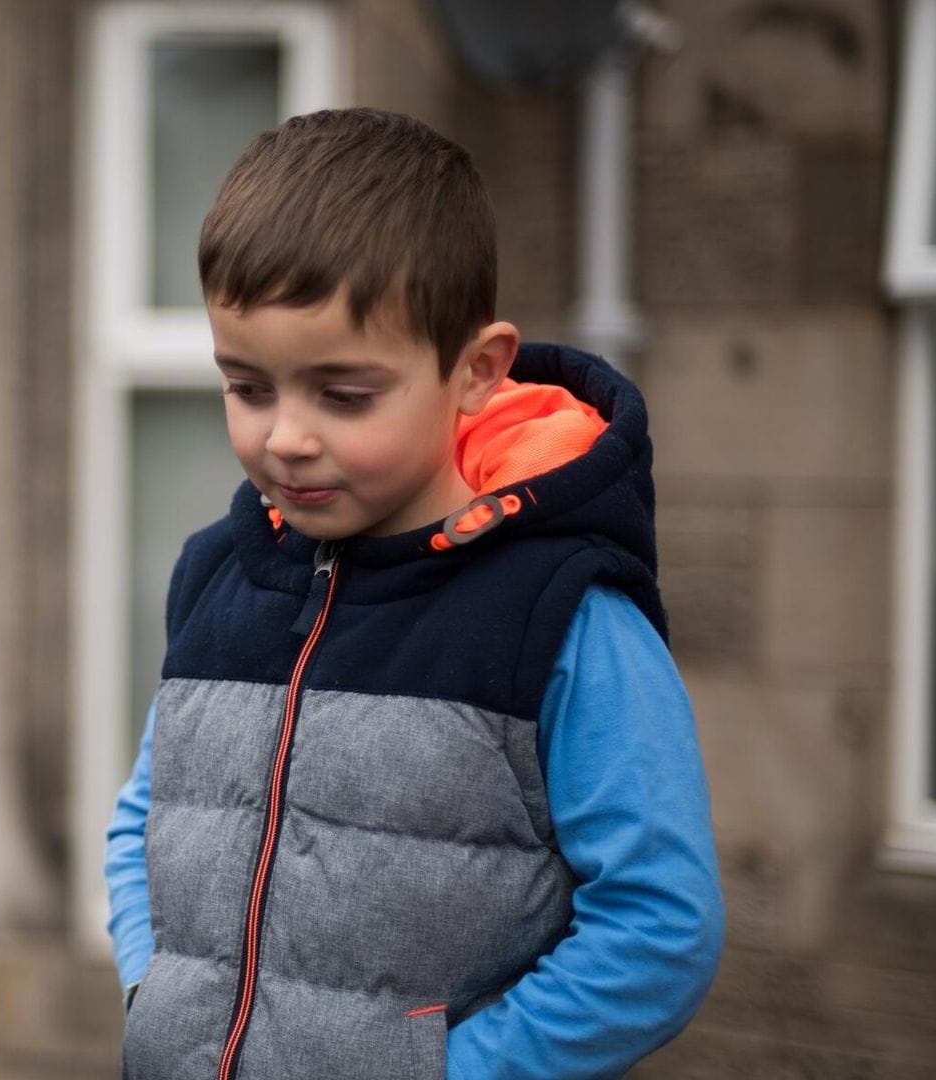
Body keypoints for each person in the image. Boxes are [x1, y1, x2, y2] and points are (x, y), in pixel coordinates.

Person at [104, 108, 724, 1080]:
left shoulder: (564, 615)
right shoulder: (215, 577)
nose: (286, 438)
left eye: (343, 395)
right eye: (248, 387)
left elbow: (659, 929)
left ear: (476, 371)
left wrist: (448, 1072)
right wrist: (156, 993)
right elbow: (143, 819)